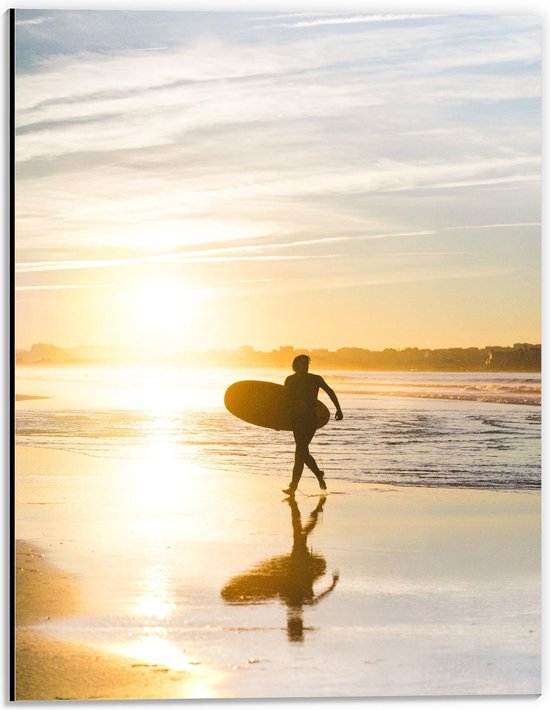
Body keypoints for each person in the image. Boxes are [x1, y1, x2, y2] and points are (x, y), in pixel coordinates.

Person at [283, 354, 343, 496]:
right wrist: (277, 421)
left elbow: (330, 391)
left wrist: (338, 409)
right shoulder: (290, 380)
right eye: (302, 364)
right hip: (296, 420)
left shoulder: (315, 379)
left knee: (300, 453)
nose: (305, 366)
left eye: (306, 364)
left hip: (310, 420)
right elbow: (285, 402)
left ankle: (293, 487)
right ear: (295, 366)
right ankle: (319, 475)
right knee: (303, 453)